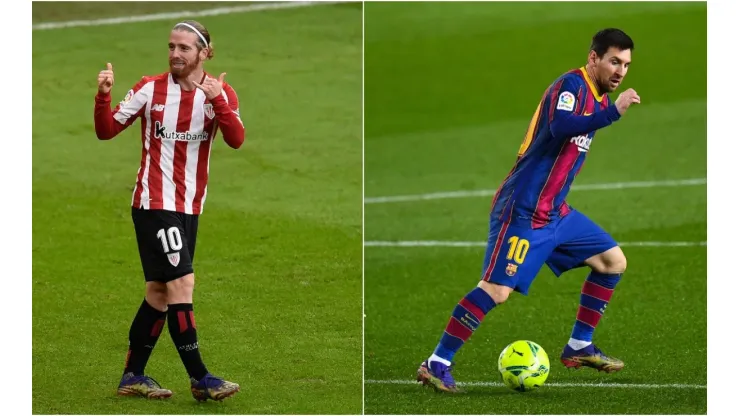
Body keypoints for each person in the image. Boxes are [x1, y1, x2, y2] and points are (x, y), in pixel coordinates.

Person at [417, 28, 640, 393]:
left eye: (627, 65)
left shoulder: (598, 96)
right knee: (496, 290)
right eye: (614, 61)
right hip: (522, 209)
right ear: (593, 57)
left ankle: (579, 345)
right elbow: (560, 126)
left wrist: (607, 109)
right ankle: (437, 362)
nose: (620, 71)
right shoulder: (572, 87)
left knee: (612, 261)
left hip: (555, 212)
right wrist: (613, 113)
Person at [94, 20, 245, 401]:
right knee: (182, 283)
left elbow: (236, 139)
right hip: (153, 202)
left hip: (189, 206)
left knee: (159, 292)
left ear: (205, 53)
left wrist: (217, 101)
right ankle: (201, 378)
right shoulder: (150, 88)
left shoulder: (220, 92)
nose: (176, 54)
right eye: (171, 47)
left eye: (184, 48)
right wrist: (103, 96)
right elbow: (107, 129)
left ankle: (133, 375)